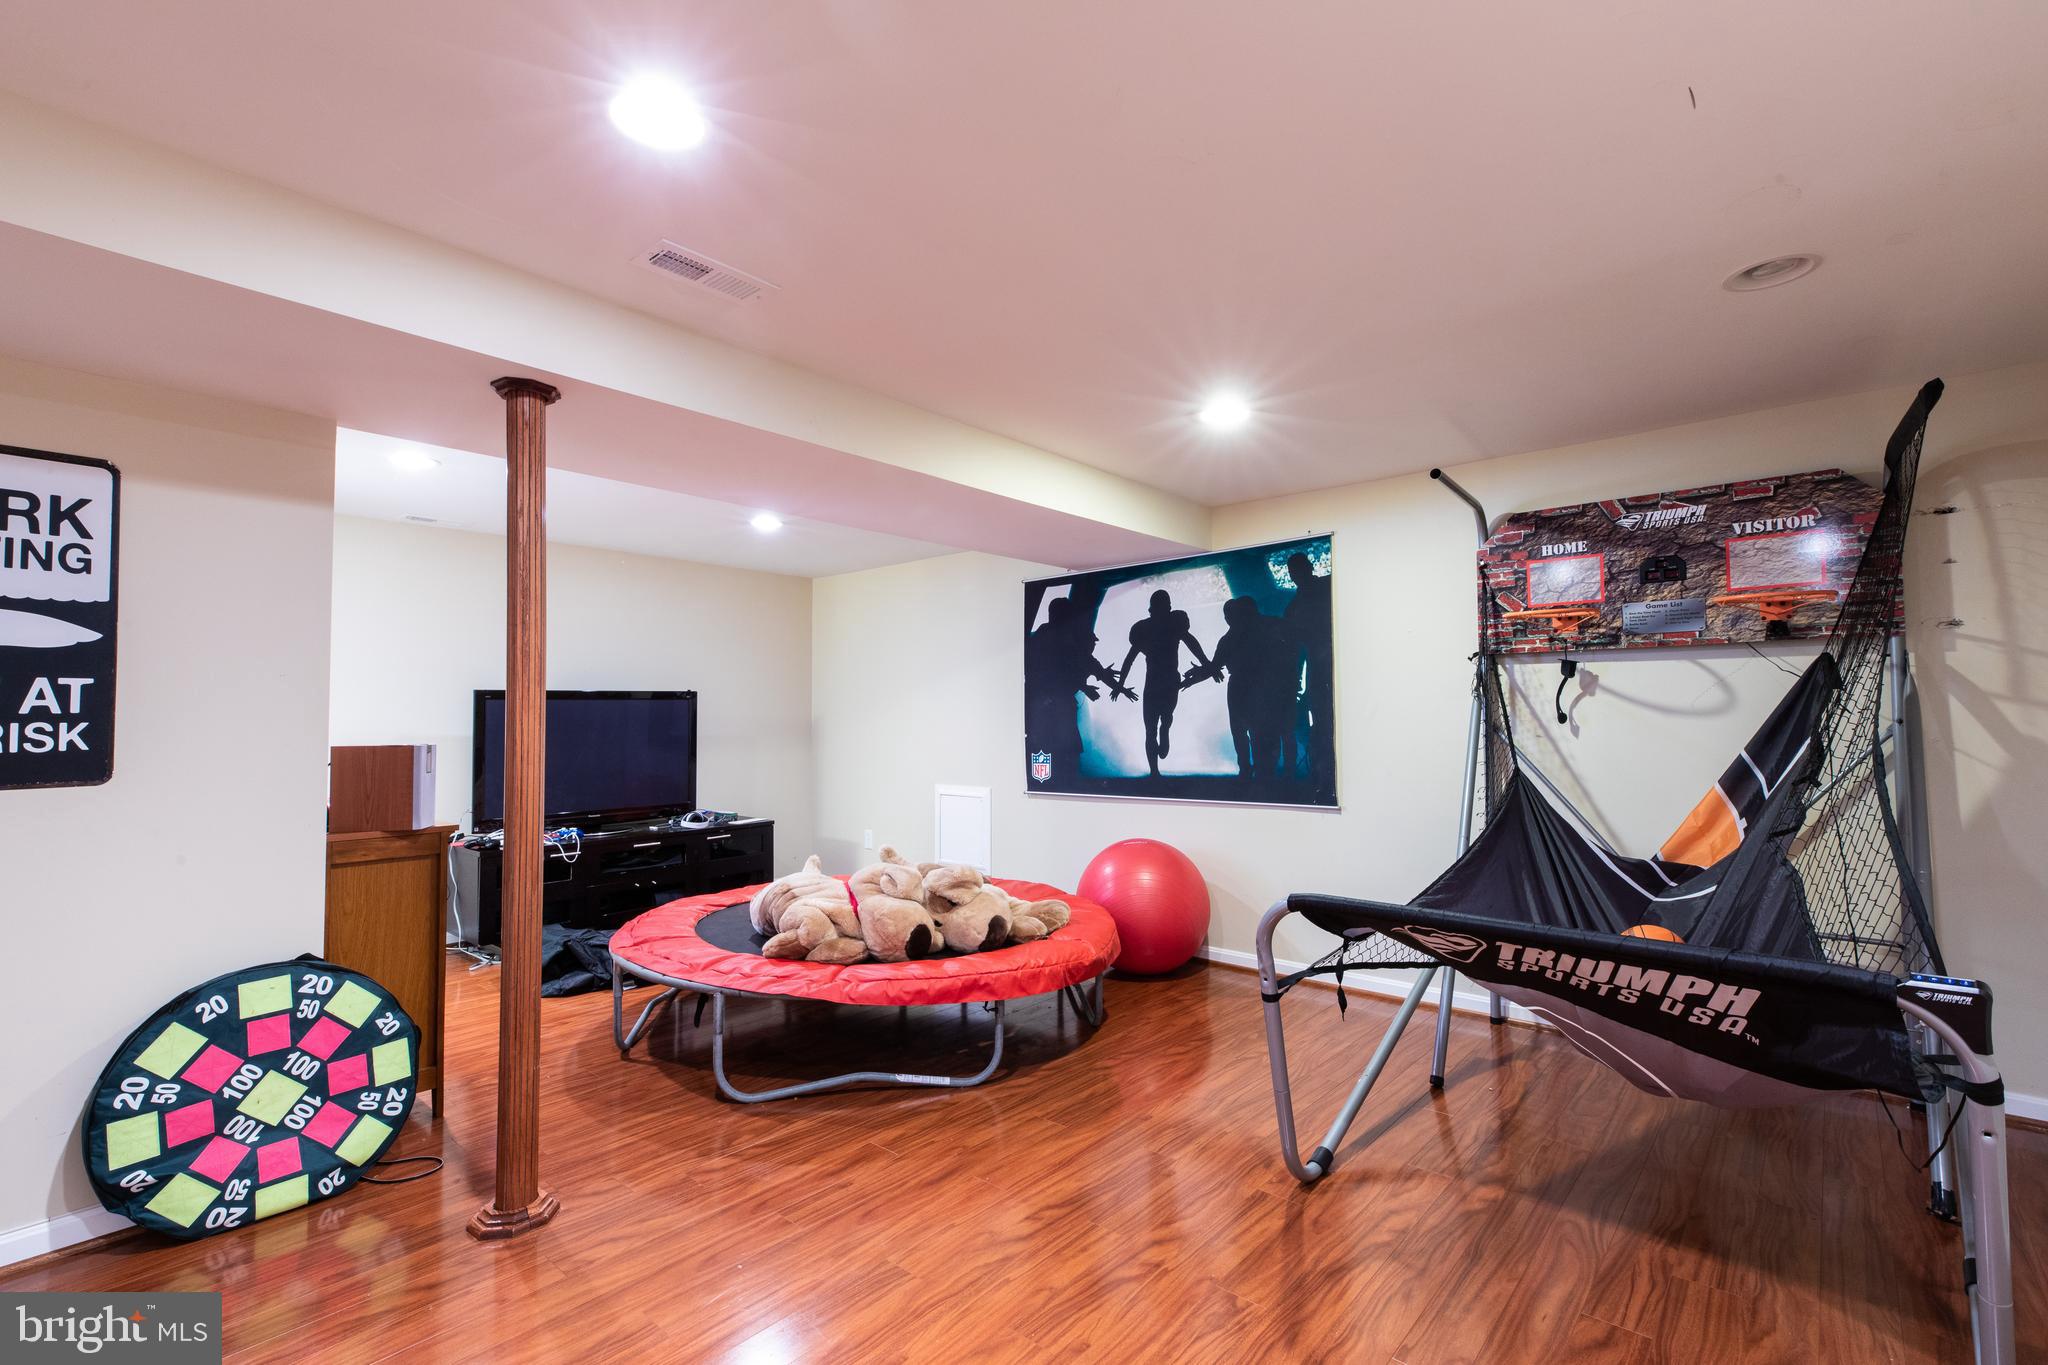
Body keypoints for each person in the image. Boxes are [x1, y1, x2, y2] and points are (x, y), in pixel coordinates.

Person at [1183, 596, 1293, 780]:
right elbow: (1214, 667)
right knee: (1252, 729)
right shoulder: (1264, 627)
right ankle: (1259, 769)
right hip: (1257, 684)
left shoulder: (1232, 638)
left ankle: (1252, 769)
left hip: (1247, 685)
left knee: (1245, 730)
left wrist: (1194, 678)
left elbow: (1214, 667)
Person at [1026, 596, 1131, 779]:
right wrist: (1091, 685)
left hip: (1048, 701)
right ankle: (1059, 779)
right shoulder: (1054, 637)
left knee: (1058, 743)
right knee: (1059, 743)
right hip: (1048, 702)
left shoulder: (1053, 636)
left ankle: (1057, 780)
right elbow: (1058, 670)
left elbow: (1088, 665)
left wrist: (1115, 685)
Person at [1116, 589, 1212, 778]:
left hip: (1159, 681)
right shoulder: (1164, 626)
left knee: (1156, 725)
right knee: (1153, 726)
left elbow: (1191, 643)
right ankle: (1154, 769)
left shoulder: (1154, 628)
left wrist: (1120, 683)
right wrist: (1207, 664)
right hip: (1163, 681)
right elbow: (1130, 657)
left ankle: (1158, 754)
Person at [1284, 552, 1334, 787]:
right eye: (1294, 571)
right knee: (1322, 719)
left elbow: (1297, 650)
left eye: (1297, 570)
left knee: (1323, 718)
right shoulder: (1296, 606)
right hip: (1319, 667)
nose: (1296, 575)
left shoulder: (1297, 606)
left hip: (1322, 665)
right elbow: (1297, 649)